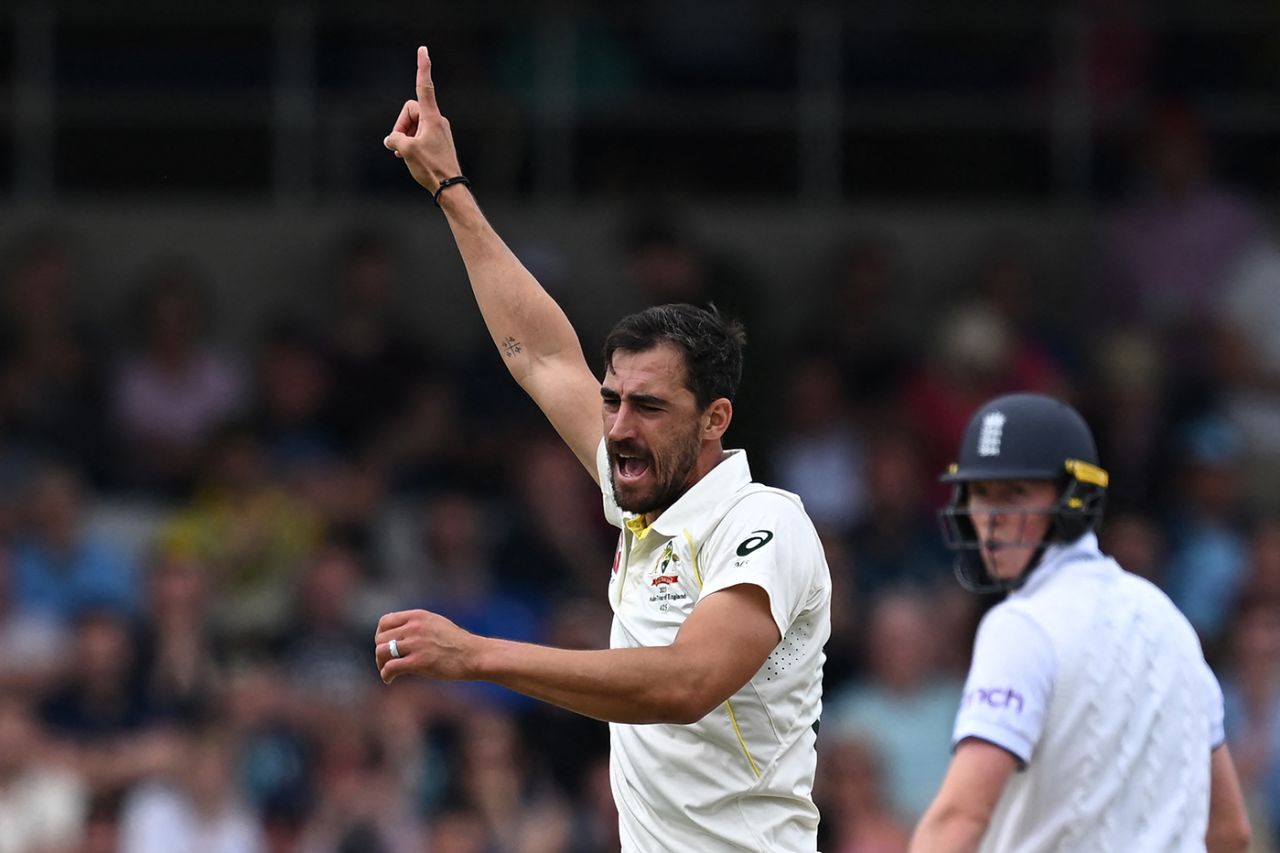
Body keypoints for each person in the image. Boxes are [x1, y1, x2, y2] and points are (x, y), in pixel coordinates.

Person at [375, 46, 832, 851]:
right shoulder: (638, 481)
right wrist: (451, 191)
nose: (617, 423)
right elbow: (540, 354)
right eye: (614, 399)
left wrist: (479, 655)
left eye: (649, 406)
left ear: (715, 418)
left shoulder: (767, 525)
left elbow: (687, 682)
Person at [910, 392, 1252, 852]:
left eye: (1015, 494)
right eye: (980, 493)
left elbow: (958, 818)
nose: (991, 519)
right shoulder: (1169, 620)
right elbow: (1231, 833)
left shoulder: (1020, 625)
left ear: (1074, 499)